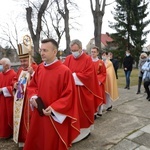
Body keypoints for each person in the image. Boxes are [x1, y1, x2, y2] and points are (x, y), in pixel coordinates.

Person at [23, 38, 80, 150]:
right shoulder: (40, 68)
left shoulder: (64, 71)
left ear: (54, 52)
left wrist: (54, 108)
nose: (42, 53)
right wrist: (34, 98)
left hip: (54, 117)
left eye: (45, 50)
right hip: (39, 114)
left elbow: (69, 95)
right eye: (41, 50)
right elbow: (33, 86)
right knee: (37, 141)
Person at [64, 39, 103, 142]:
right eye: (72, 50)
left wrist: (74, 76)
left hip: (83, 92)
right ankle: (72, 131)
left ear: (81, 49)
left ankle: (84, 132)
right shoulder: (68, 59)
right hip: (70, 91)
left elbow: (89, 75)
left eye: (75, 50)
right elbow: (63, 72)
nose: (74, 52)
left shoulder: (87, 59)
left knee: (83, 112)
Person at [13, 43, 38, 147]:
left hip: (29, 102)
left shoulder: (36, 68)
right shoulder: (20, 70)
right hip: (20, 101)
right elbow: (14, 79)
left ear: (30, 59)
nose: (22, 63)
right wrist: (14, 84)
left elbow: (40, 81)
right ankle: (22, 142)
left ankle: (31, 142)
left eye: (25, 60)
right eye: (21, 61)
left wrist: (33, 74)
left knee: (30, 122)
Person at [0, 58, 17, 139]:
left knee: (7, 117)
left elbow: (14, 87)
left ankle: (8, 133)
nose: (0, 66)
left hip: (8, 100)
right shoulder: (0, 75)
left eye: (1, 65)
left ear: (6, 66)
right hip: (1, 99)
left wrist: (3, 89)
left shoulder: (13, 74)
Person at [91, 46, 106, 116]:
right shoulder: (88, 61)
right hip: (89, 83)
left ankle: (97, 111)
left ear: (97, 53)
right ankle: (92, 112)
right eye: (92, 52)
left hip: (97, 83)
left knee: (97, 97)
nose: (93, 53)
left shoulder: (101, 62)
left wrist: (98, 80)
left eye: (94, 52)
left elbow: (104, 73)